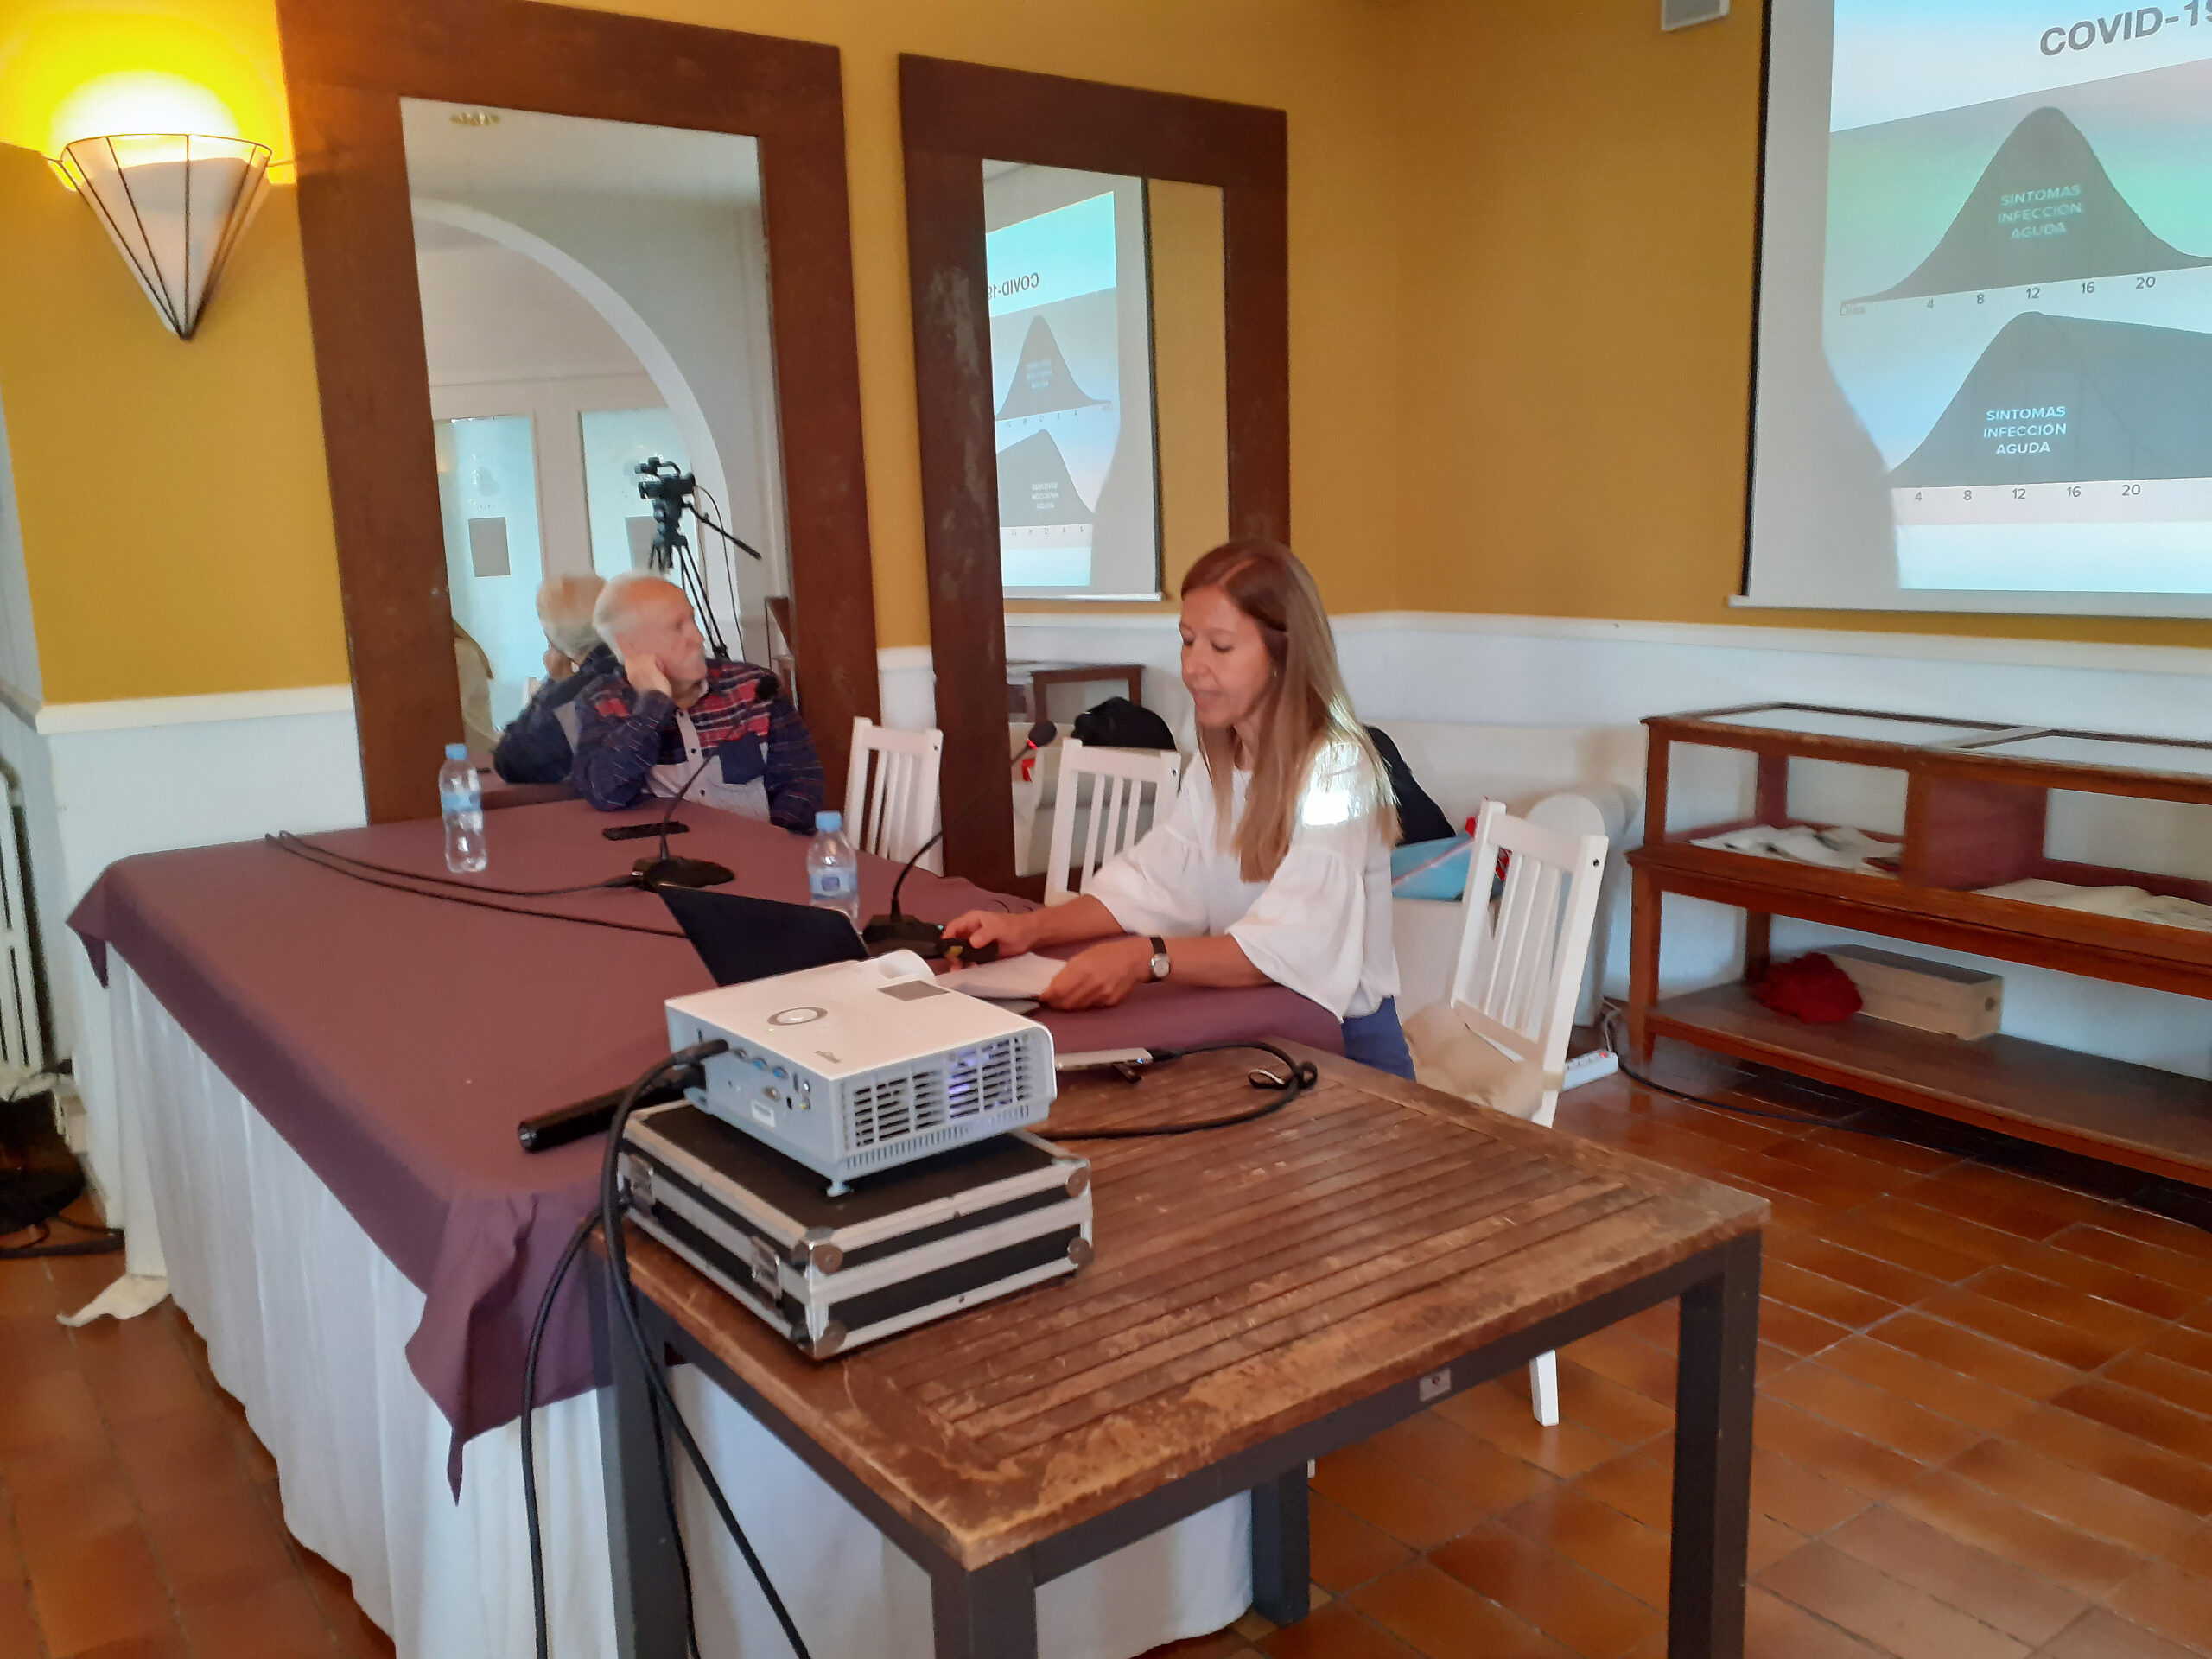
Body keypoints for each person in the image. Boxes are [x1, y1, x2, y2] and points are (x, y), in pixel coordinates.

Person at [944, 540, 1414, 1077]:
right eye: (1187, 641)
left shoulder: (1337, 768)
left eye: (1221, 647)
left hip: (1346, 1049)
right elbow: (1158, 881)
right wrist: (1031, 930)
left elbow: (1295, 943)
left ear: (1285, 656)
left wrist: (1145, 958)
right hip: (1257, 1027)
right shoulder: (1219, 756)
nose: (1192, 667)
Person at [570, 572, 824, 830]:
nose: (698, 638)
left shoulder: (754, 686)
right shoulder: (603, 700)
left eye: (693, 620)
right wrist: (652, 706)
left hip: (759, 849)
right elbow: (606, 794)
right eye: (676, 627)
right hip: (663, 854)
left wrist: (770, 841)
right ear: (631, 646)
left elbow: (802, 783)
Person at [492, 575, 615, 784]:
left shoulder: (571, 694)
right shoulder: (632, 666)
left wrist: (555, 684)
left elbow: (512, 762)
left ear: (552, 636)